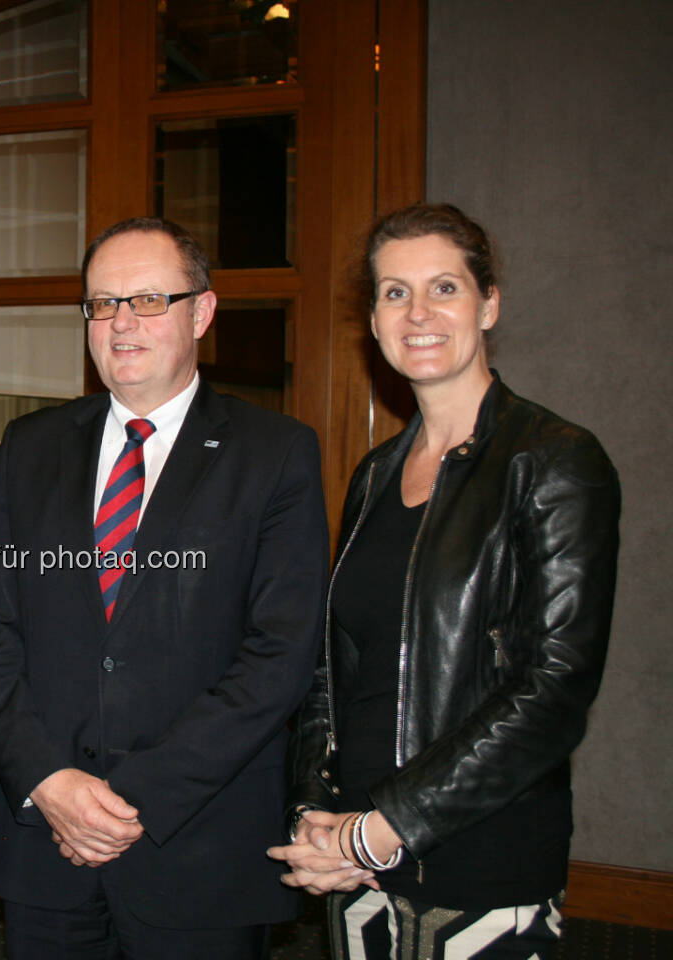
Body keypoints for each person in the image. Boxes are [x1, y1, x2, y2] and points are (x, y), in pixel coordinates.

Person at [0, 216, 328, 958]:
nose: (121, 323)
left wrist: (133, 800)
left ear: (202, 312)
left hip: (197, 851)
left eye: (148, 300)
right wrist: (48, 782)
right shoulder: (30, 449)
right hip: (45, 846)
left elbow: (280, 656)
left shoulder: (275, 453)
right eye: (102, 303)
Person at [269, 204, 620, 959]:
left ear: (489, 303)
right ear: (373, 317)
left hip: (481, 864)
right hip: (358, 866)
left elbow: (555, 689)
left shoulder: (555, 460)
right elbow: (334, 669)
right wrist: (315, 811)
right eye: (394, 292)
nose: (418, 313)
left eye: (444, 289)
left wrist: (385, 826)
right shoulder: (374, 476)